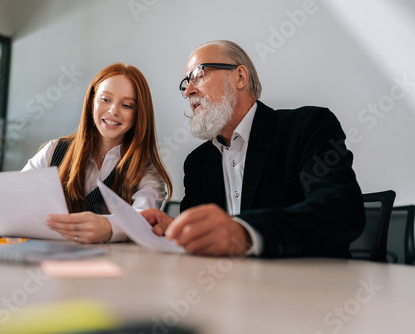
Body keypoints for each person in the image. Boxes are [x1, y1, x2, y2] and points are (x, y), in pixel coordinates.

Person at [141, 40, 365, 258]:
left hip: (309, 287)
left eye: (199, 75)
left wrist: (244, 233)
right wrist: (177, 231)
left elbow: (341, 212)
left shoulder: (308, 127)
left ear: (240, 77)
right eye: (185, 83)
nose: (188, 90)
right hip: (225, 288)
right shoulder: (198, 162)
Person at [0, 63, 173, 243]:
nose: (113, 111)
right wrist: (0, 218)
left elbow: (142, 220)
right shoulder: (54, 150)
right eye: (105, 99)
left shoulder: (146, 173)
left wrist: (108, 228)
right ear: (92, 101)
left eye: (127, 105)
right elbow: (18, 200)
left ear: (138, 115)